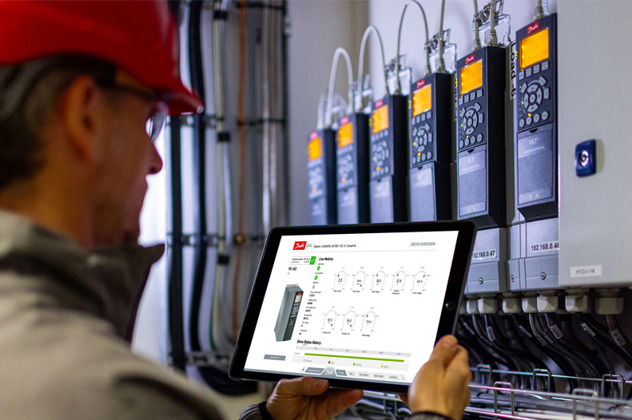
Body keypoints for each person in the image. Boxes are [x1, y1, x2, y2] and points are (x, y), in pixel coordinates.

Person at [0, 1, 472, 419]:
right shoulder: (115, 395)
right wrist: (434, 416)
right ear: (85, 116)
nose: (155, 158)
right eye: (149, 121)